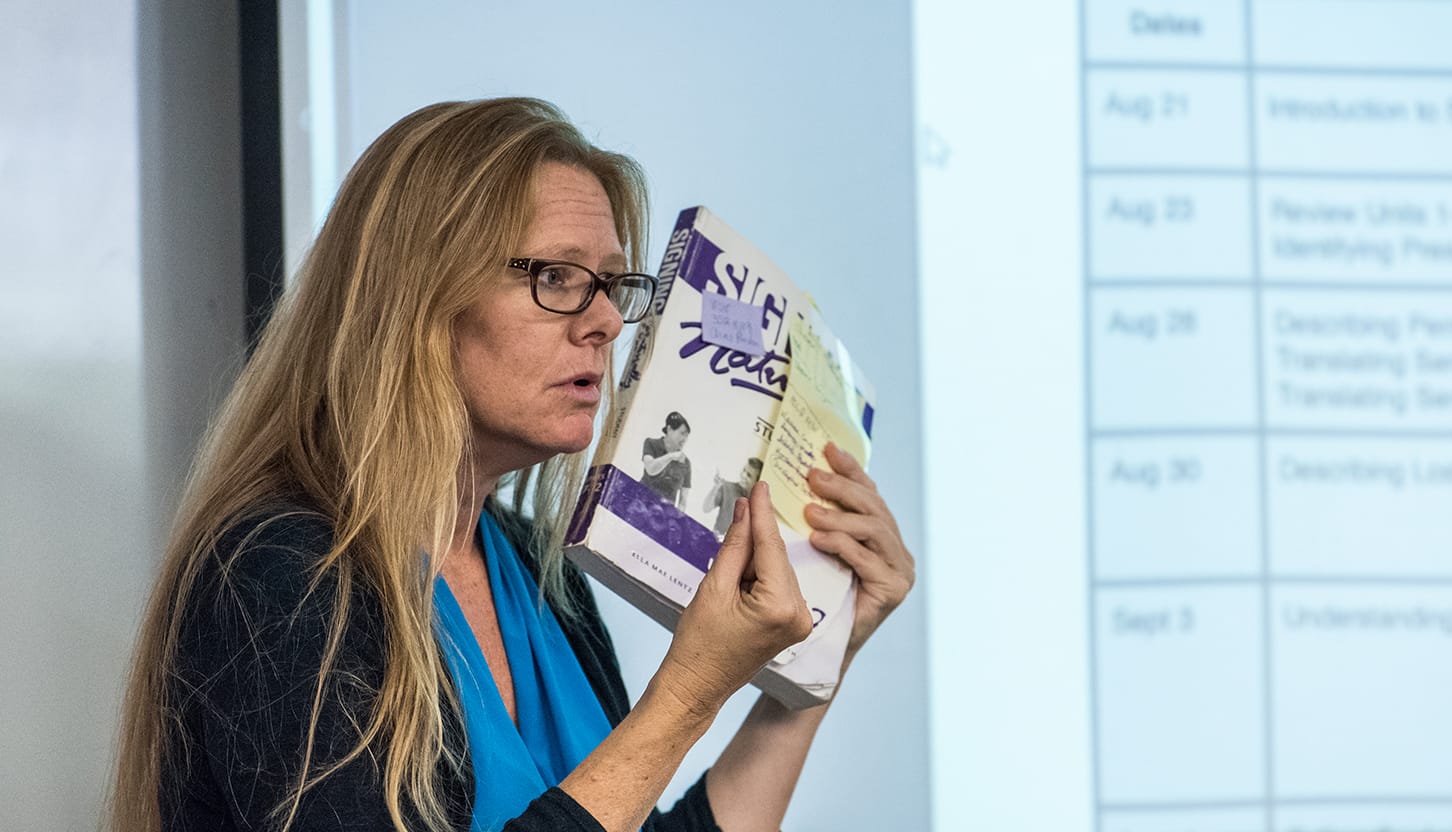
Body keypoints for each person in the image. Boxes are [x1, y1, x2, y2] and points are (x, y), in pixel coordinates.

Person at [109, 98, 916, 832]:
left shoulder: (528, 565)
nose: (605, 321)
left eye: (610, 285)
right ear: (416, 295)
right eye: (558, 277)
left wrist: (820, 660)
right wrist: (688, 692)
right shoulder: (276, 575)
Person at [640, 412, 693, 509]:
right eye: (682, 433)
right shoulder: (651, 443)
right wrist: (670, 456)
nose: (685, 439)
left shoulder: (686, 463)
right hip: (640, 505)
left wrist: (677, 518)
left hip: (662, 516)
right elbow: (651, 469)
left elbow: (683, 500)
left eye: (686, 436)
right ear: (669, 429)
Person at [704, 458, 765, 537]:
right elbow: (706, 508)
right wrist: (715, 487)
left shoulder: (758, 506)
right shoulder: (727, 487)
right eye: (744, 470)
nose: (743, 475)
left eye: (749, 475)